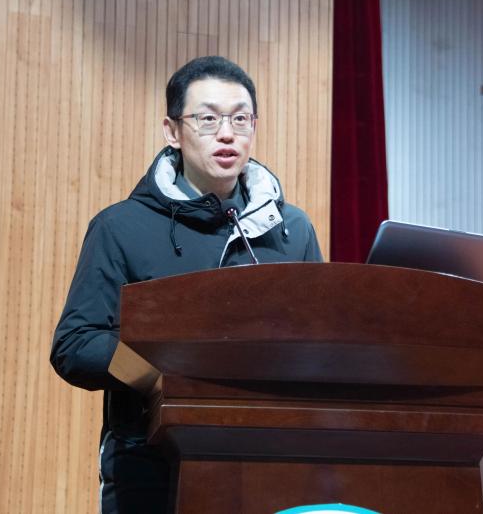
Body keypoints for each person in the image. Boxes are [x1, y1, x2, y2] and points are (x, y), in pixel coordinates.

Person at [50, 56, 324, 513]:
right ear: (172, 131)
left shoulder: (291, 228)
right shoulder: (121, 227)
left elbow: (321, 340)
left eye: (241, 119)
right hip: (149, 467)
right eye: (208, 119)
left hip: (267, 462)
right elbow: (75, 345)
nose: (227, 133)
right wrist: (163, 369)